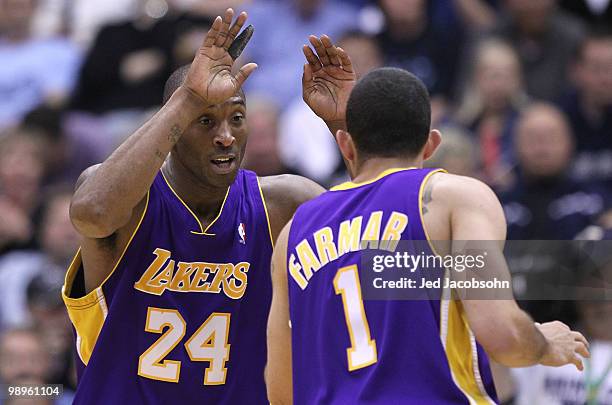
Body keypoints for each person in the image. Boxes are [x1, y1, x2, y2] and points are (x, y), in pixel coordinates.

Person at [266, 39, 590, 404]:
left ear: (345, 146)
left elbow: (281, 390)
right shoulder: (454, 198)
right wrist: (545, 343)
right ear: (432, 144)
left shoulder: (295, 232)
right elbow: (502, 334)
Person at [62, 9, 327, 404]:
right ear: (174, 122)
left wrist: (345, 130)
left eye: (237, 118)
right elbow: (91, 213)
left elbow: (375, 258)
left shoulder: (282, 204)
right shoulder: (128, 202)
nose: (225, 136)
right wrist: (188, 96)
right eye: (204, 121)